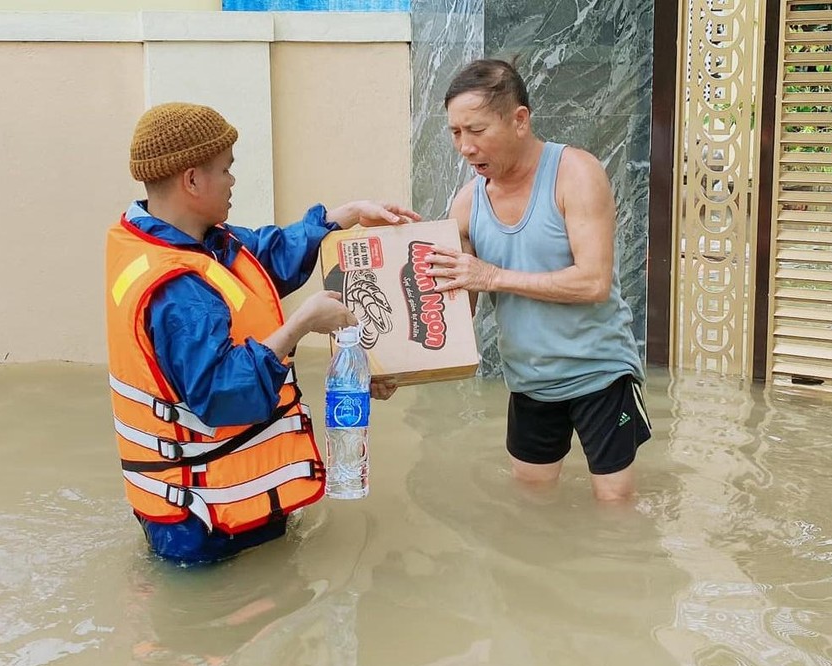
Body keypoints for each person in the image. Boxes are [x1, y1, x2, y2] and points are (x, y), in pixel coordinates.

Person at [105, 102, 419, 563]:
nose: (233, 182)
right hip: (205, 526)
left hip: (213, 506)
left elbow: (269, 255)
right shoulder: (179, 293)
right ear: (192, 181)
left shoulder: (185, 241)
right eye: (226, 170)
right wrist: (300, 327)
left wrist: (340, 217)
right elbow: (222, 394)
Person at [425, 59, 651, 501]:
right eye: (455, 133)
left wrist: (492, 275)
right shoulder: (467, 203)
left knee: (617, 505)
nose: (465, 147)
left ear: (520, 120)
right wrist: (388, 365)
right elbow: (454, 313)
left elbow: (593, 283)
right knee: (531, 505)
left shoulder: (576, 174)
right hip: (529, 380)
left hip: (600, 374)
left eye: (476, 130)